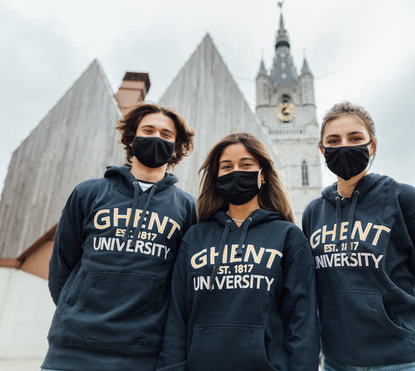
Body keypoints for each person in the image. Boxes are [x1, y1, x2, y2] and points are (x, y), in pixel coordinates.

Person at [42, 102, 196, 371]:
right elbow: (61, 267)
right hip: (72, 350)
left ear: (176, 147)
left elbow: (181, 285)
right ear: (131, 138)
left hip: (143, 353)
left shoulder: (187, 208)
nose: (156, 138)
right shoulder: (88, 193)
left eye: (166, 134)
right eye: (148, 130)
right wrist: (75, 311)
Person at [302, 101, 415, 370]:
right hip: (338, 362)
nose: (344, 146)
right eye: (334, 140)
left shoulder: (405, 199)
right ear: (322, 149)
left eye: (355, 138)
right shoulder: (314, 212)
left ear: (372, 145)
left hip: (405, 359)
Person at [157, 133, 320, 371]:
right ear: (217, 176)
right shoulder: (195, 237)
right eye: (226, 166)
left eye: (246, 165)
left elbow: (303, 322)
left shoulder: (288, 237)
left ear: (262, 174)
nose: (236, 171)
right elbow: (176, 319)